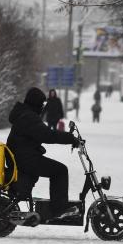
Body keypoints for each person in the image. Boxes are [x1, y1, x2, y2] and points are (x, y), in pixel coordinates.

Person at [7, 87, 80, 219]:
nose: (43, 106)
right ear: (36, 103)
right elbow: (47, 135)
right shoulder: (28, 117)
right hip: (25, 159)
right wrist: (70, 138)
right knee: (60, 171)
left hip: (22, 156)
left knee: (56, 169)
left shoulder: (24, 114)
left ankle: (56, 207)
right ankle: (59, 209)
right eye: (42, 103)